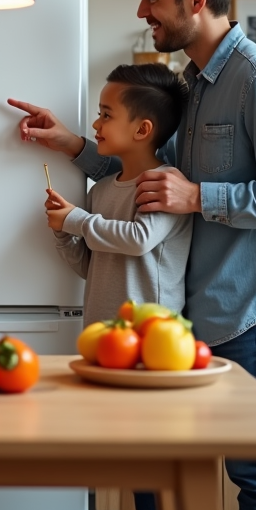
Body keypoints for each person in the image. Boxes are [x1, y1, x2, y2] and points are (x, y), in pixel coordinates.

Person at [9, 0, 256, 510]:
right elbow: (151, 172)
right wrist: (74, 142)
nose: (141, 10)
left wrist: (200, 195)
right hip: (195, 310)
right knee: (163, 461)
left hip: (252, 310)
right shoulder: (195, 84)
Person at [45, 63, 192, 326]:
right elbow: (88, 267)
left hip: (153, 337)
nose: (95, 123)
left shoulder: (166, 184)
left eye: (107, 115)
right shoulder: (101, 189)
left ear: (142, 130)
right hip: (103, 332)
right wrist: (64, 233)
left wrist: (74, 220)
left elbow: (138, 239)